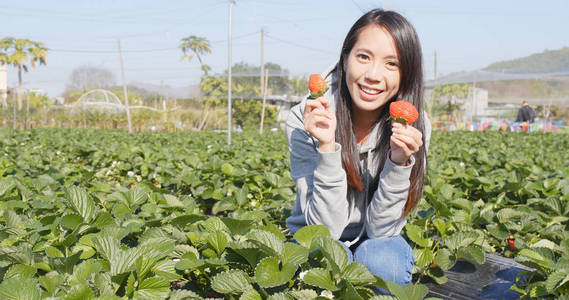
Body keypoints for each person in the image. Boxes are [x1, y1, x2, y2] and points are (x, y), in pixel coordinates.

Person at [285, 9, 430, 287]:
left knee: (383, 263)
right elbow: (323, 231)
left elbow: (381, 230)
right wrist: (327, 146)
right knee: (326, 263)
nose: (373, 75)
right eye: (363, 57)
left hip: (378, 239)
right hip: (319, 234)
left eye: (392, 64)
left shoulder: (415, 125)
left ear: (406, 73)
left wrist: (398, 163)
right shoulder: (305, 119)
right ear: (345, 59)